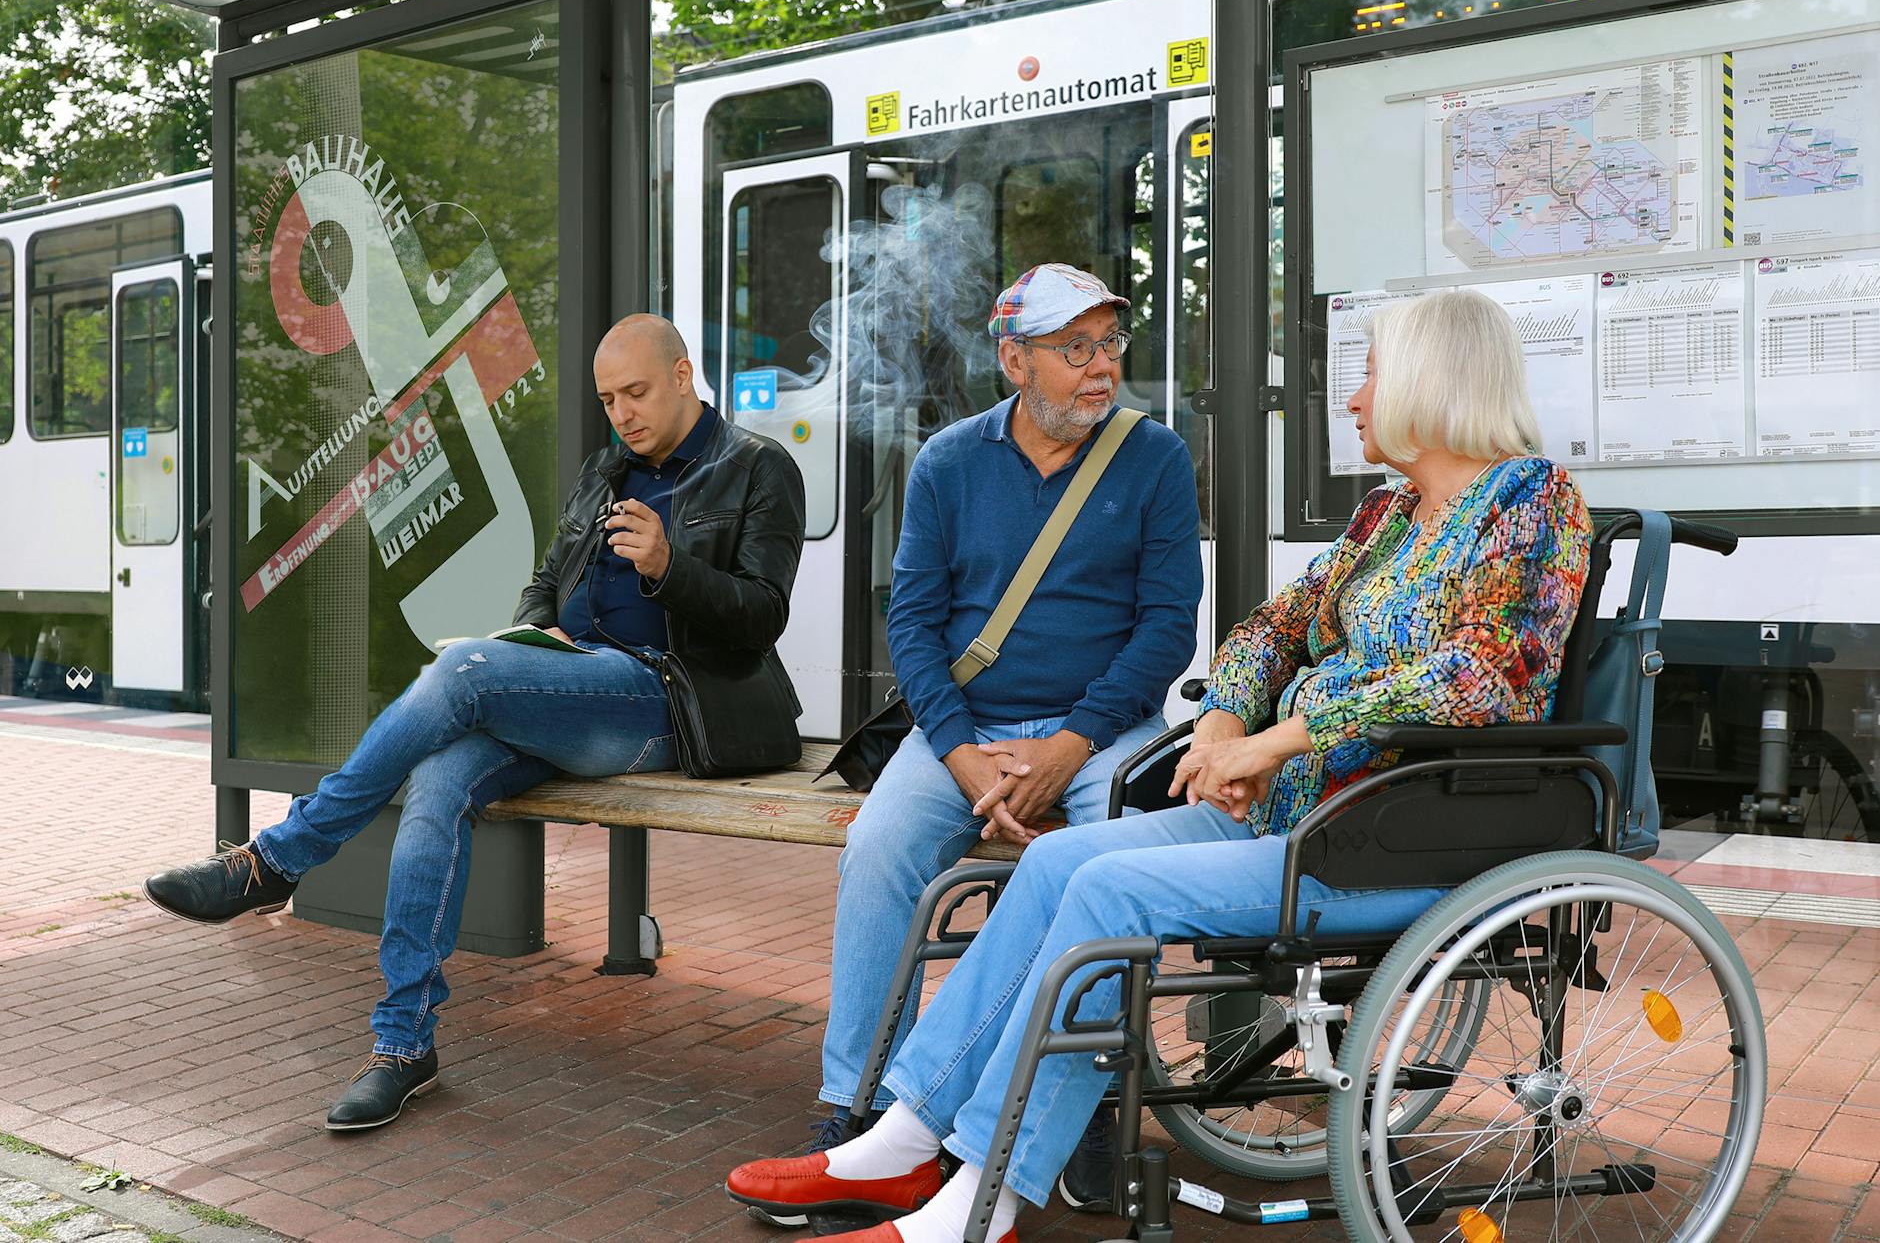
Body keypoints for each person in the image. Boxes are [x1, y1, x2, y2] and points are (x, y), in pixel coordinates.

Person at [725, 288, 1594, 1243]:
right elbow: (1275, 627)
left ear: (1432, 383)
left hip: (1386, 834)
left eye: (1371, 373)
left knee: (1110, 892)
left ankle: (980, 1201)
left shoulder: (1532, 500)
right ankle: (903, 1135)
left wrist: (1281, 739)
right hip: (1294, 816)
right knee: (1062, 863)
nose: (1354, 399)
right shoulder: (1388, 515)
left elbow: (1482, 679)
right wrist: (1225, 720)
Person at [144, 315, 806, 1131]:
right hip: (571, 689)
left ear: (681, 376)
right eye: (607, 399)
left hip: (667, 703)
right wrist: (537, 631)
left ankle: (278, 858)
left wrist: (671, 568)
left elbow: (762, 617)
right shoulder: (608, 471)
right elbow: (547, 576)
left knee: (460, 672)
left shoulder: (757, 468)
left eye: (635, 392)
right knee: (439, 778)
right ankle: (402, 1045)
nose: (621, 414)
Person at [790, 263, 1202, 1221]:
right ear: (1014, 359)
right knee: (880, 848)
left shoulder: (1155, 459)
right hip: (965, 732)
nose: (1101, 369)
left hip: (1102, 730)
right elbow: (916, 624)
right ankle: (857, 1105)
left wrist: (1072, 742)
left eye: (1108, 344)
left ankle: (1094, 1099)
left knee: (1118, 865)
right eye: (1074, 349)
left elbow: (1166, 627)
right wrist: (962, 751)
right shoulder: (948, 462)